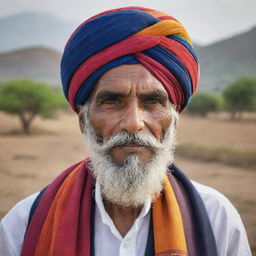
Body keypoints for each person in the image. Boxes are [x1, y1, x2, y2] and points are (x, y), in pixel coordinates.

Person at [0, 6, 251, 256]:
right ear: (82, 119)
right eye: (112, 102)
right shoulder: (23, 226)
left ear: (175, 119)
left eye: (153, 101)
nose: (134, 123)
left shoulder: (216, 220)